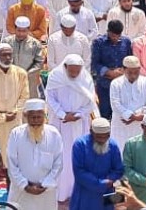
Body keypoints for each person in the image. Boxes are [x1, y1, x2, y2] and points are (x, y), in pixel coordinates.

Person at [46, 53, 98, 205]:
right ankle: (61, 194)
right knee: (61, 157)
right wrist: (63, 114)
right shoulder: (55, 76)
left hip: (79, 124)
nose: (74, 74)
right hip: (60, 123)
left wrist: (78, 114)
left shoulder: (86, 78)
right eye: (71, 71)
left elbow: (91, 101)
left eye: (77, 71)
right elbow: (50, 98)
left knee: (79, 158)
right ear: (65, 67)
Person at [6, 99, 64, 210]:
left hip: (46, 194)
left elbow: (58, 164)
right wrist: (24, 185)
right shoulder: (16, 134)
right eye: (32, 117)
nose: (36, 121)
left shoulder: (54, 134)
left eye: (39, 117)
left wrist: (45, 184)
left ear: (45, 116)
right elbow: (11, 164)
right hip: (21, 193)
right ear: (26, 116)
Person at [70, 117, 125, 210]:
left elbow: (119, 169)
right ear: (91, 132)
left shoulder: (113, 145)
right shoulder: (80, 144)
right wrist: (100, 183)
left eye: (106, 136)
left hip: (107, 192)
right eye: (99, 137)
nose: (102, 140)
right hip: (85, 192)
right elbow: (79, 172)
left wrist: (110, 179)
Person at [109, 55, 146, 146]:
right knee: (121, 149)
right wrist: (129, 115)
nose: (133, 75)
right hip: (122, 124)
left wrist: (138, 115)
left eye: (136, 72)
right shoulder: (115, 83)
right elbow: (115, 104)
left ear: (139, 69)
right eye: (130, 72)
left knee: (139, 151)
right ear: (124, 70)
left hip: (140, 123)